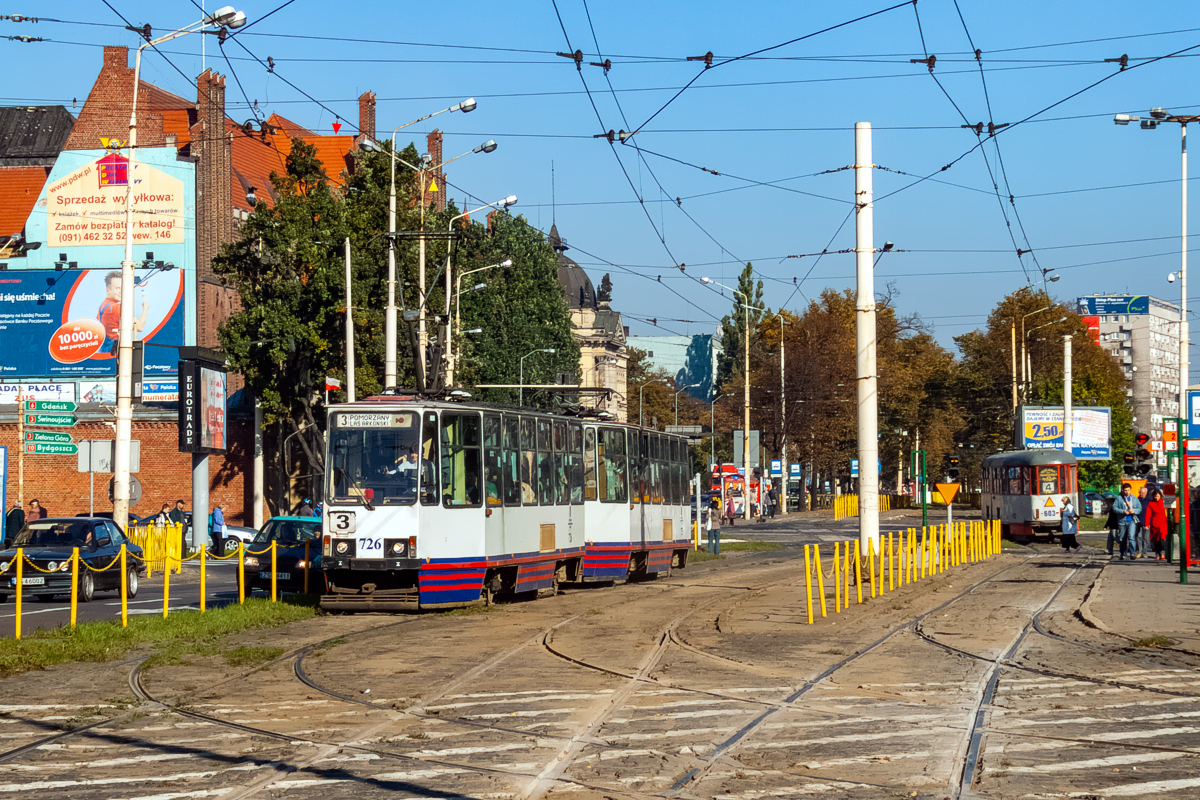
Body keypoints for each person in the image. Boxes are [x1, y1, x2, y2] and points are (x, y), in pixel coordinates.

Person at [97, 270, 150, 354]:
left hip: (104, 351)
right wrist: (145, 309)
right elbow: (139, 326)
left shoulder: (102, 306)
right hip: (116, 352)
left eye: (123, 288)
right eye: (117, 288)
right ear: (108, 290)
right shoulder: (117, 307)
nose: (121, 291)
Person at [1111, 483, 1142, 560]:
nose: (1127, 492)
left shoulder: (1134, 499)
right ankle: (1123, 553)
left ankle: (1132, 553)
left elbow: (1139, 508)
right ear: (1123, 490)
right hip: (1122, 520)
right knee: (1122, 538)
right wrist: (1122, 511)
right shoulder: (1119, 498)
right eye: (1125, 490)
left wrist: (1133, 511)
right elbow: (1114, 508)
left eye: (1128, 490)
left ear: (1130, 490)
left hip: (1131, 520)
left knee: (1131, 537)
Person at [1145, 487, 1169, 561]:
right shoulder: (1151, 503)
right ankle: (1157, 553)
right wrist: (1146, 524)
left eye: (1158, 496)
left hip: (1163, 523)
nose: (1156, 498)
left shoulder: (1164, 502)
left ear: (1161, 496)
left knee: (1162, 539)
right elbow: (1148, 514)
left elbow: (1168, 512)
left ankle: (1162, 552)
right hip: (1154, 523)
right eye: (1155, 496)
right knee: (1156, 540)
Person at [1134, 486, 1150, 559]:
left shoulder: (1149, 501)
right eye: (1141, 493)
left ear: (1146, 493)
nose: (1142, 494)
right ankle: (1139, 552)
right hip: (1138, 522)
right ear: (1139, 493)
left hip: (1147, 522)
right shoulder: (1136, 500)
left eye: (1144, 493)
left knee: (1146, 538)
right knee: (1138, 537)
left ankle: (1145, 552)